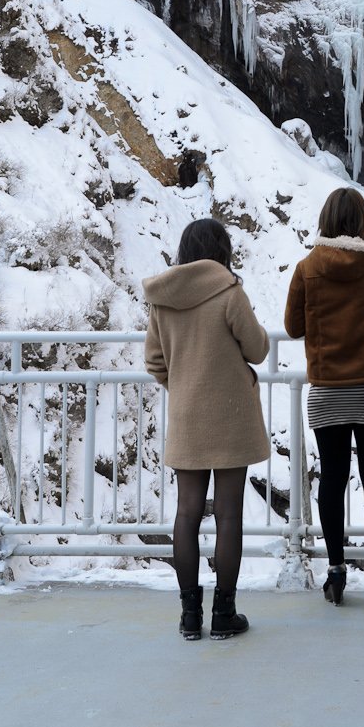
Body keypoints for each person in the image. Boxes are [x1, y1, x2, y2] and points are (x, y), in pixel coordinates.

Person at [143, 217, 270, 641]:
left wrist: (184, 387)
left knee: (187, 513)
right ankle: (224, 614)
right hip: (231, 415)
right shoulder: (229, 292)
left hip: (187, 417)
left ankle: (189, 616)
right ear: (222, 251)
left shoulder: (163, 299)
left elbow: (155, 362)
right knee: (229, 513)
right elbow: (257, 348)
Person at [284, 186, 364, 607]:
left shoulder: (307, 268)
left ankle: (336, 571)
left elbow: (293, 326)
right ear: (363, 223)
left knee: (333, 479)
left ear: (326, 221)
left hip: (326, 392)